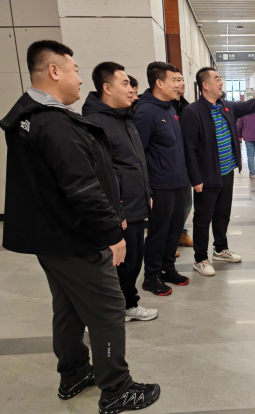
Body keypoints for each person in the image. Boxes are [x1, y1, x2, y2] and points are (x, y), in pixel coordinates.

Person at [0, 40, 159, 413]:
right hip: (76, 236)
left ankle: (73, 374)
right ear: (54, 71)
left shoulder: (28, 116)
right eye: (73, 70)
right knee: (108, 309)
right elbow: (83, 188)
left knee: (68, 306)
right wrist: (112, 234)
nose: (79, 78)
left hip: (52, 237)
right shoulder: (54, 123)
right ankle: (117, 389)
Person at [180, 67, 255, 276]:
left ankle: (220, 249)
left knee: (223, 213)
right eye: (217, 79)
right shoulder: (192, 112)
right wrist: (195, 178)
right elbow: (189, 149)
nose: (221, 82)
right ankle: (200, 258)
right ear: (205, 85)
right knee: (203, 218)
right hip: (207, 175)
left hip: (227, 171)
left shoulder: (225, 106)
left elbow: (251, 105)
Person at [82, 61, 157, 322]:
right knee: (116, 265)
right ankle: (106, 314)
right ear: (107, 88)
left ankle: (128, 305)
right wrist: (117, 211)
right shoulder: (96, 123)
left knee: (133, 261)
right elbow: (100, 175)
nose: (131, 90)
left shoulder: (124, 118)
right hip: (120, 210)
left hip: (135, 205)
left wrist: (147, 192)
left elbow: (135, 162)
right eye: (124, 84)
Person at [134, 62, 190, 295]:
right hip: (160, 185)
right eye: (174, 80)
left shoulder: (169, 108)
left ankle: (168, 269)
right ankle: (152, 276)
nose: (179, 85)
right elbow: (138, 153)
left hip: (177, 181)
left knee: (174, 229)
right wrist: (147, 190)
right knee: (159, 232)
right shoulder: (146, 112)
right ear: (159, 83)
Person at [170, 67, 194, 251]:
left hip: (185, 162)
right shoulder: (162, 108)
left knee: (186, 202)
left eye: (182, 79)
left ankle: (180, 233)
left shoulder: (185, 107)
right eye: (177, 80)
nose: (182, 83)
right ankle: (169, 240)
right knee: (171, 205)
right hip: (168, 166)